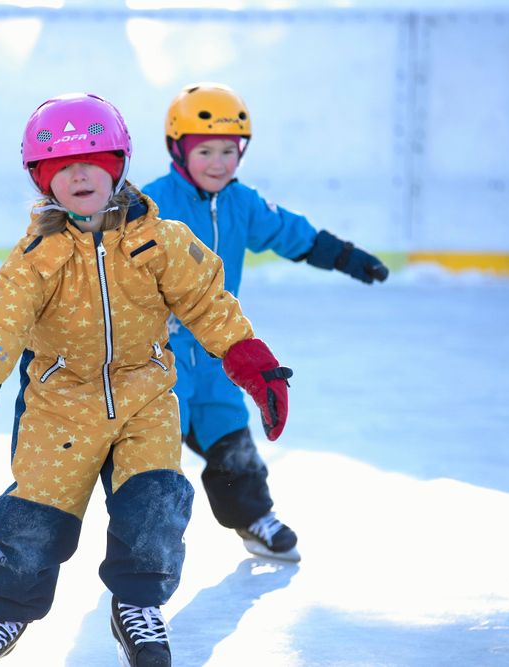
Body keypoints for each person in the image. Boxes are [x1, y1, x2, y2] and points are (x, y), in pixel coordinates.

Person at [0, 92, 294, 667]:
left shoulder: (162, 242)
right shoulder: (34, 258)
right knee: (34, 518)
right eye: (61, 166)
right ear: (42, 179)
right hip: (59, 405)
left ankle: (137, 608)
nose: (79, 174)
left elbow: (209, 304)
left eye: (93, 160)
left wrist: (253, 363)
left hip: (146, 397)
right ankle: (6, 611)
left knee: (154, 508)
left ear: (118, 165)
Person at [142, 82, 388, 563]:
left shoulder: (242, 203)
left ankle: (252, 517)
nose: (218, 163)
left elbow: (290, 233)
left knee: (231, 435)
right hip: (159, 354)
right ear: (178, 150)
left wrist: (346, 257)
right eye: (205, 150)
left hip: (217, 350)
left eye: (229, 151)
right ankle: (143, 542)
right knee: (155, 450)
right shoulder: (152, 204)